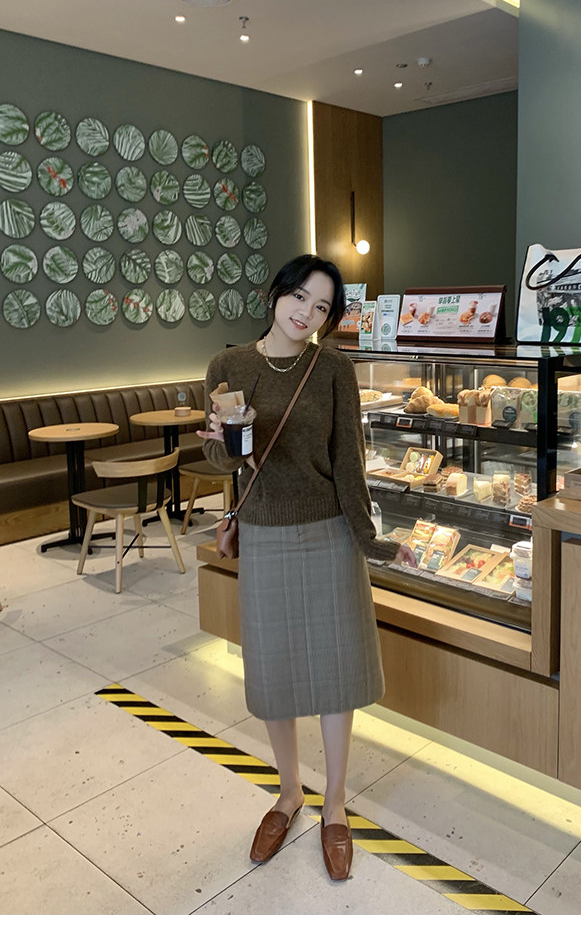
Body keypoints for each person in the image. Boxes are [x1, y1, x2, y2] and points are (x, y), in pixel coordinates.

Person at [198, 254, 416, 881]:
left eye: (322, 307)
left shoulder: (334, 370)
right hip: (265, 534)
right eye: (299, 297)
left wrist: (371, 541)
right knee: (276, 672)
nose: (306, 313)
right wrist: (227, 441)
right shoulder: (228, 366)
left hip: (329, 534)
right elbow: (219, 460)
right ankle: (289, 792)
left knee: (336, 672)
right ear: (276, 294)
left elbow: (349, 463)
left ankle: (336, 803)